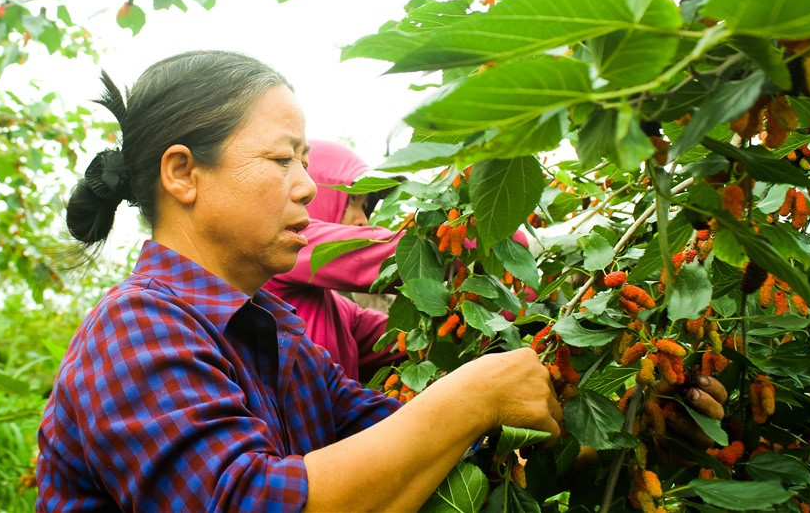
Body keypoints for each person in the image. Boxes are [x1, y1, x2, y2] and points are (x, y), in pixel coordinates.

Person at [36, 50, 725, 511]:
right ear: (183, 173)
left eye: (305, 161)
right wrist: (472, 397)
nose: (309, 189)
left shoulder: (274, 332)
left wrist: (629, 412)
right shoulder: (134, 330)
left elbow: (403, 444)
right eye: (282, 160)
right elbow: (253, 500)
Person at [264, 139, 406, 383]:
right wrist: (477, 240)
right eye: (353, 202)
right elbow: (394, 255)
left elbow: (402, 340)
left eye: (366, 207)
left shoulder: (340, 310)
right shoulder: (287, 246)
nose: (363, 220)